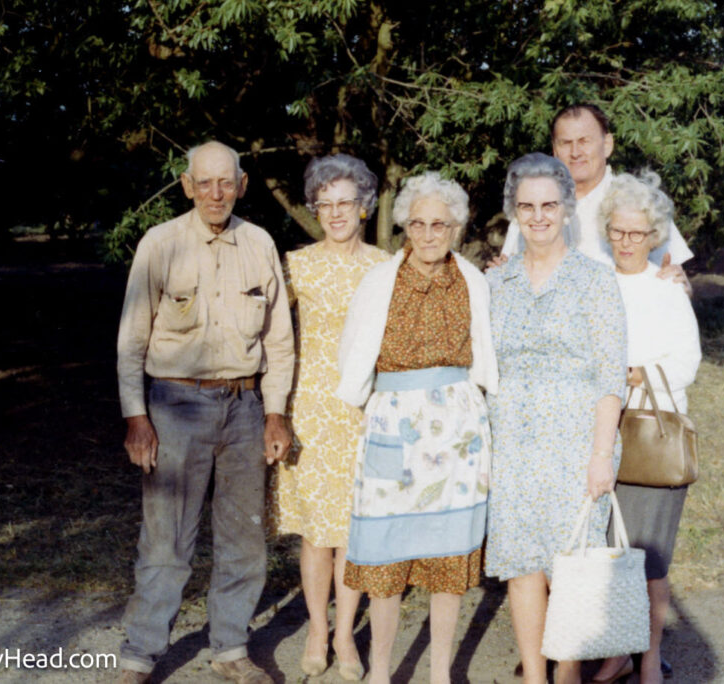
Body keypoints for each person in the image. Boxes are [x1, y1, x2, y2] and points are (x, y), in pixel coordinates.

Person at [115, 141, 294, 684]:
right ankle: (139, 655)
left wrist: (276, 412)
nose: (216, 193)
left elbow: (279, 340)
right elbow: (132, 339)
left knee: (244, 538)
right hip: (175, 406)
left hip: (244, 407)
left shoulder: (259, 243)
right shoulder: (160, 243)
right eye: (205, 183)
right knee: (167, 539)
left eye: (226, 182)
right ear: (187, 185)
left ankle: (231, 648)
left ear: (242, 185)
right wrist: (135, 415)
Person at [336, 172, 498, 684]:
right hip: (396, 426)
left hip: (457, 430)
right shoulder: (382, 279)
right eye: (419, 224)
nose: (429, 235)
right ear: (405, 226)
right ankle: (381, 671)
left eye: (440, 225)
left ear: (456, 228)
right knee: (386, 559)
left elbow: (487, 352)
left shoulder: (472, 279)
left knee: (449, 558)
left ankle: (440, 673)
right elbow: (353, 351)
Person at [485, 153, 627, 684]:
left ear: (568, 209)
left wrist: (599, 456)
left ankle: (568, 672)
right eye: (527, 206)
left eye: (549, 204)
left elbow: (611, 377)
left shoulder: (596, 281)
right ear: (513, 212)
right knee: (522, 567)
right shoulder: (494, 285)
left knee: (571, 568)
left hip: (576, 446)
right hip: (512, 446)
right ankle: (536, 676)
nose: (539, 216)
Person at [268, 154, 389, 680]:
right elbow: (269, 333)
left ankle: (346, 636)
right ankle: (318, 629)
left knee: (354, 532)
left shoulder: (386, 265)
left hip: (365, 409)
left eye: (346, 203)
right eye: (325, 204)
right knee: (318, 532)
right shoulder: (296, 264)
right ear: (315, 208)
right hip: (311, 409)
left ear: (364, 207)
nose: (336, 213)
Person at [590, 171, 702, 684]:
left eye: (638, 233)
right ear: (606, 230)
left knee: (649, 560)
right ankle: (615, 653)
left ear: (654, 235)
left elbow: (687, 362)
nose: (628, 242)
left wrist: (636, 374)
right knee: (606, 555)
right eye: (618, 231)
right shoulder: (591, 284)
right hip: (598, 434)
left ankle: (650, 659)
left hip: (650, 438)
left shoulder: (667, 289)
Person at [494, 104, 693, 292]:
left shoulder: (638, 202)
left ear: (607, 144)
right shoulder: (533, 207)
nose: (575, 153)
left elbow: (676, 280)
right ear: (554, 151)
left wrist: (680, 288)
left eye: (584, 141)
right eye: (565, 143)